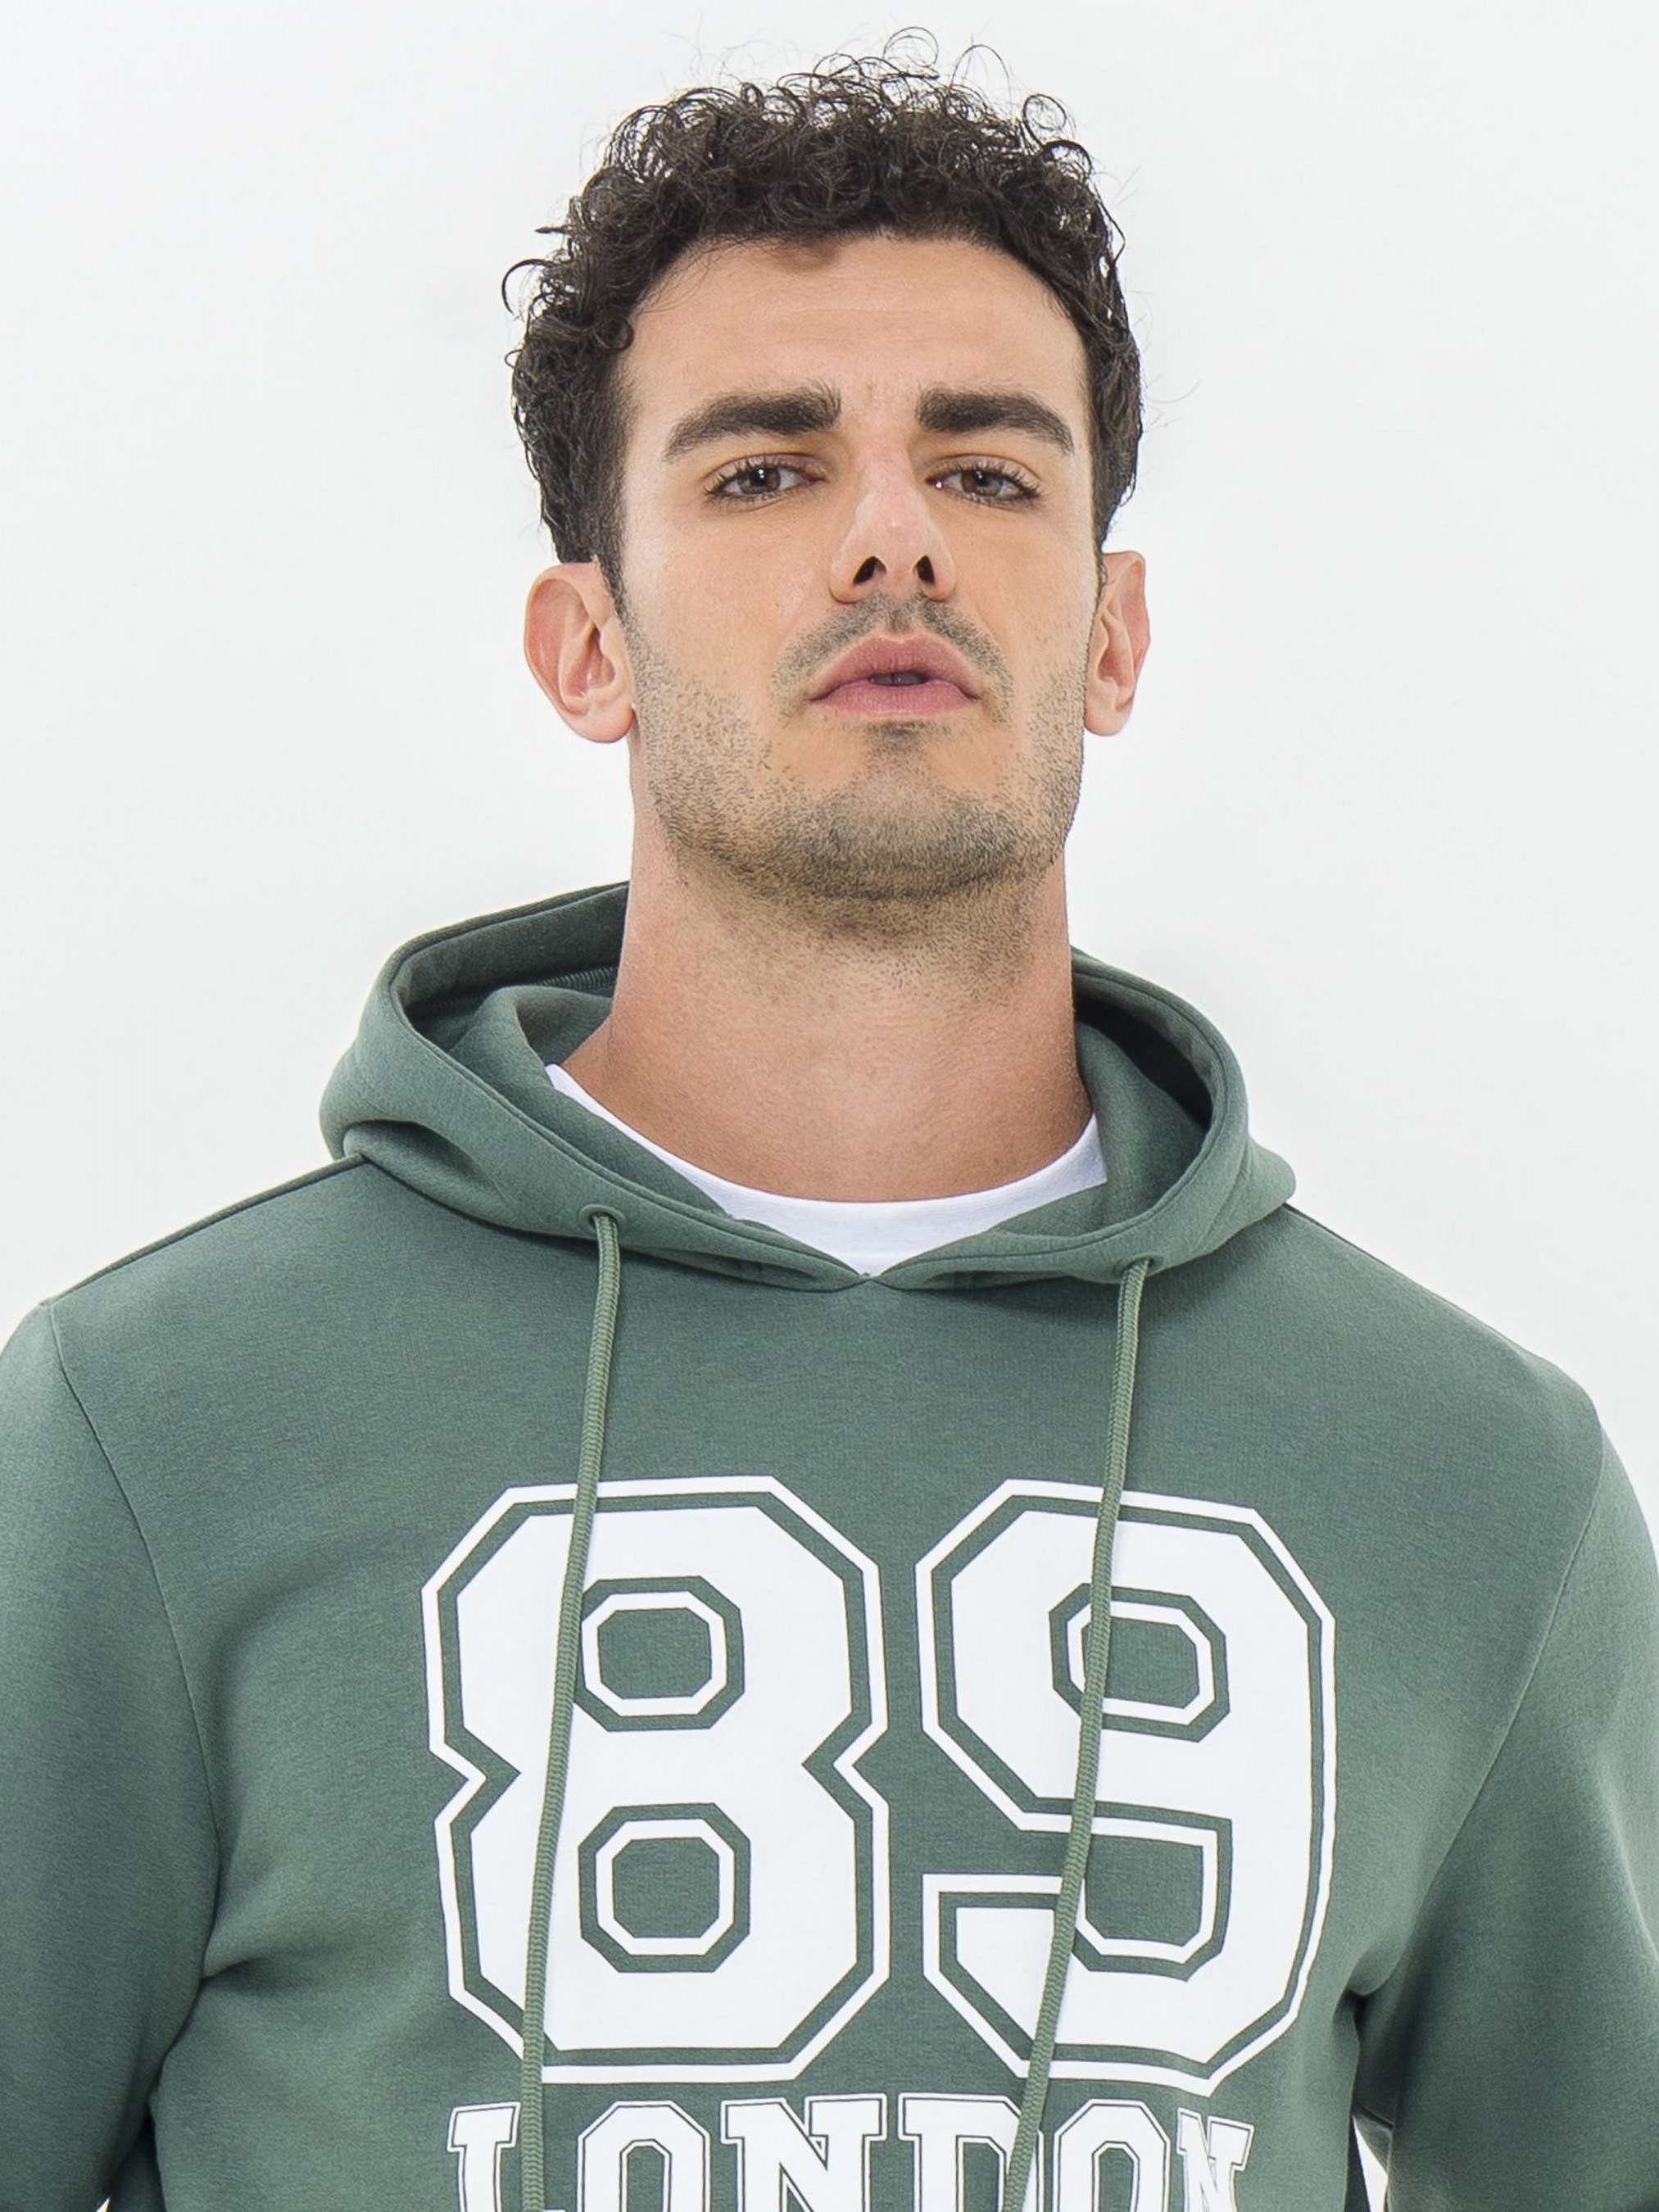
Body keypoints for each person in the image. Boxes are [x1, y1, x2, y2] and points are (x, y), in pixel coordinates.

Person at [2, 35, 1656, 2212]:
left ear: (1113, 635)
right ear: (586, 645)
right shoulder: (147, 1433)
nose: (893, 535)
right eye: (765, 471)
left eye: (987, 471)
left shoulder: (1469, 1483)